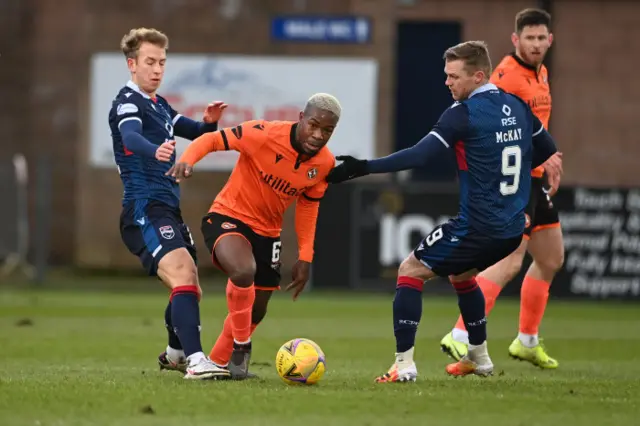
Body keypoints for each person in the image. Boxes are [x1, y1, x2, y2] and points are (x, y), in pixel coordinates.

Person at [326, 41, 562, 381]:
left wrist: (361, 167)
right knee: (463, 275)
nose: (447, 83)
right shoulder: (518, 106)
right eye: (446, 76)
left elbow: (419, 156)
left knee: (410, 269)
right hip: (512, 228)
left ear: (479, 76)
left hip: (478, 226)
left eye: (454, 76)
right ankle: (479, 358)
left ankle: (403, 364)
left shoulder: (462, 114)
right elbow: (546, 150)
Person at [166, 93, 340, 379]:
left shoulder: (324, 163)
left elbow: (308, 208)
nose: (318, 135)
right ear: (300, 118)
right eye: (313, 125)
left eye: (327, 131)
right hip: (228, 216)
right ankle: (242, 346)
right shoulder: (262, 133)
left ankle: (220, 364)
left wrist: (305, 256)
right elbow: (211, 140)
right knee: (243, 270)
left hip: (269, 233)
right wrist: (187, 159)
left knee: (257, 310)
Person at [440, 8, 562, 369]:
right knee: (510, 262)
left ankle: (526, 341)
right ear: (515, 40)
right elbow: (496, 127)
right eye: (529, 38)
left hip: (535, 177)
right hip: (516, 181)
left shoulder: (541, 75)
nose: (536, 44)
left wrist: (550, 155)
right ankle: (461, 335)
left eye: (541, 38)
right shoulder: (506, 77)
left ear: (550, 40)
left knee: (551, 257)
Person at [109, 27, 230, 380]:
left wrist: (208, 122)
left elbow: (194, 130)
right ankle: (195, 361)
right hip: (143, 207)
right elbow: (131, 137)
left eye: (162, 62)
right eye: (150, 62)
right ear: (132, 64)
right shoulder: (127, 103)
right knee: (182, 276)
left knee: (189, 283)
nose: (157, 69)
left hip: (167, 207)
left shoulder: (159, 105)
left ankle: (176, 353)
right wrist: (154, 149)